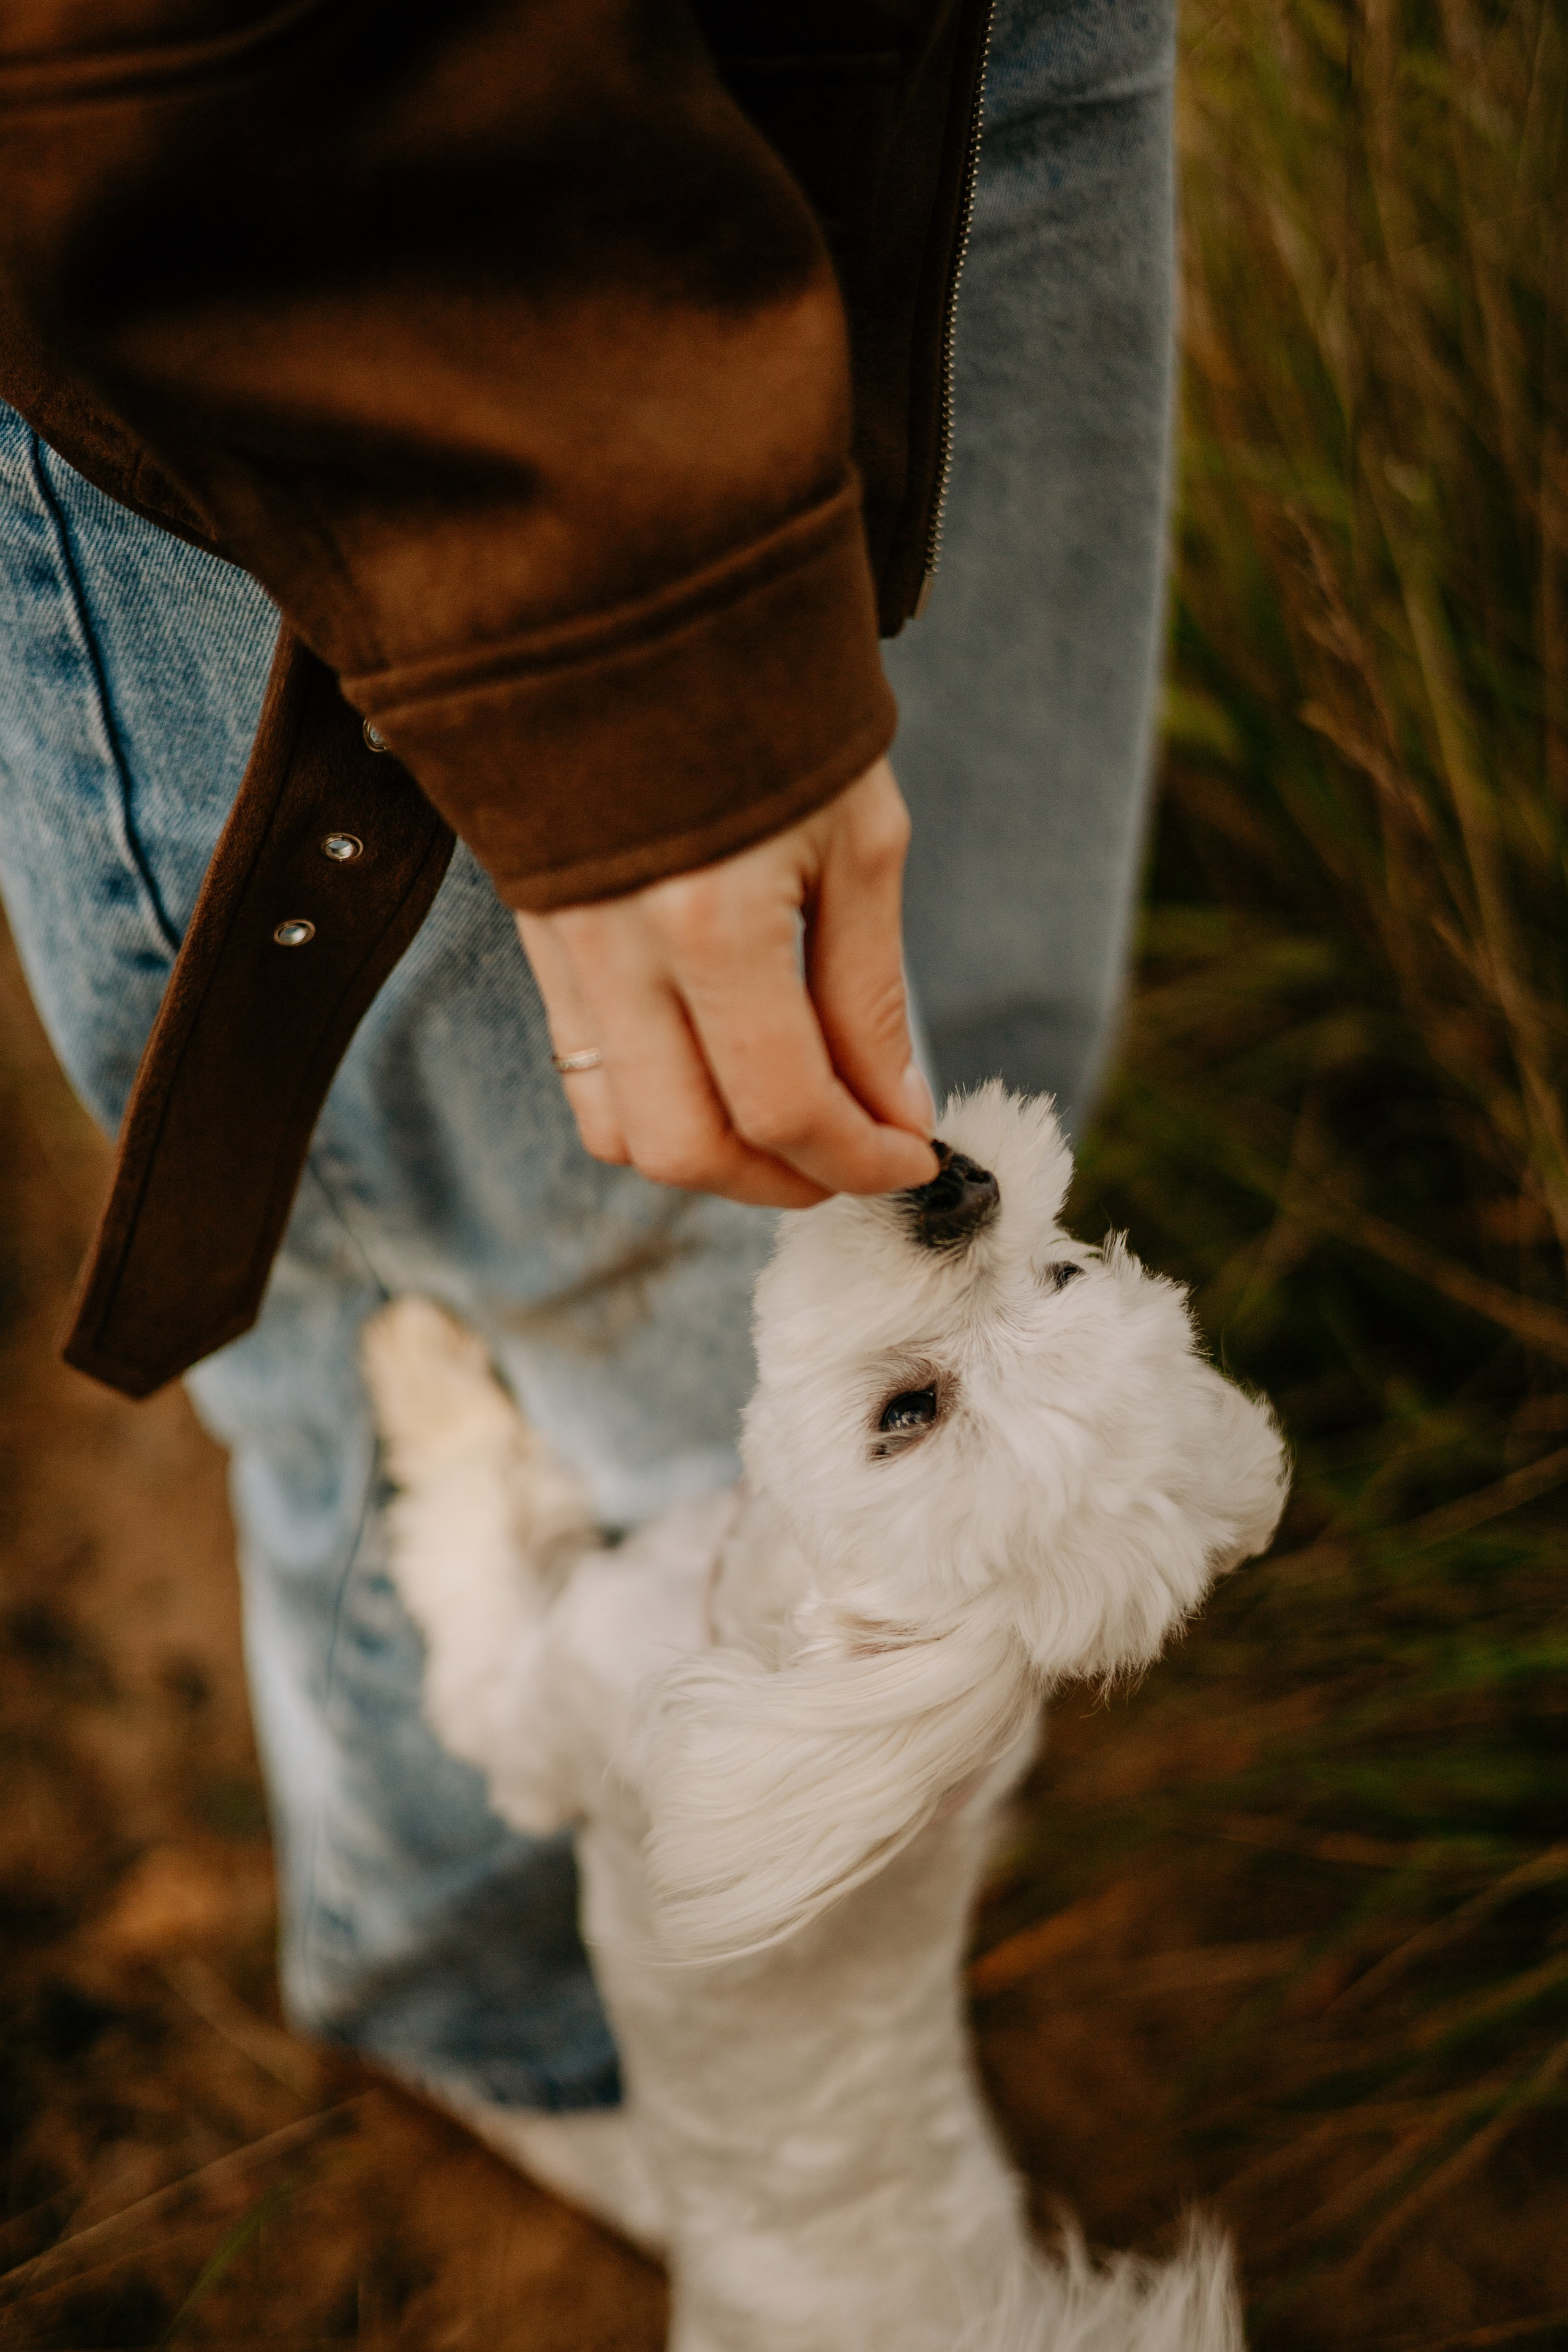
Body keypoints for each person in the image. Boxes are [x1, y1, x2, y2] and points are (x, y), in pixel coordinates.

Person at [0, 0, 1174, 2220]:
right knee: (542, 1299)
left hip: (970, 70)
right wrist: (605, 656)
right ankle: (479, 1981)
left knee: (964, 1036)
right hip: (370, 222)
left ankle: (807, 1777)